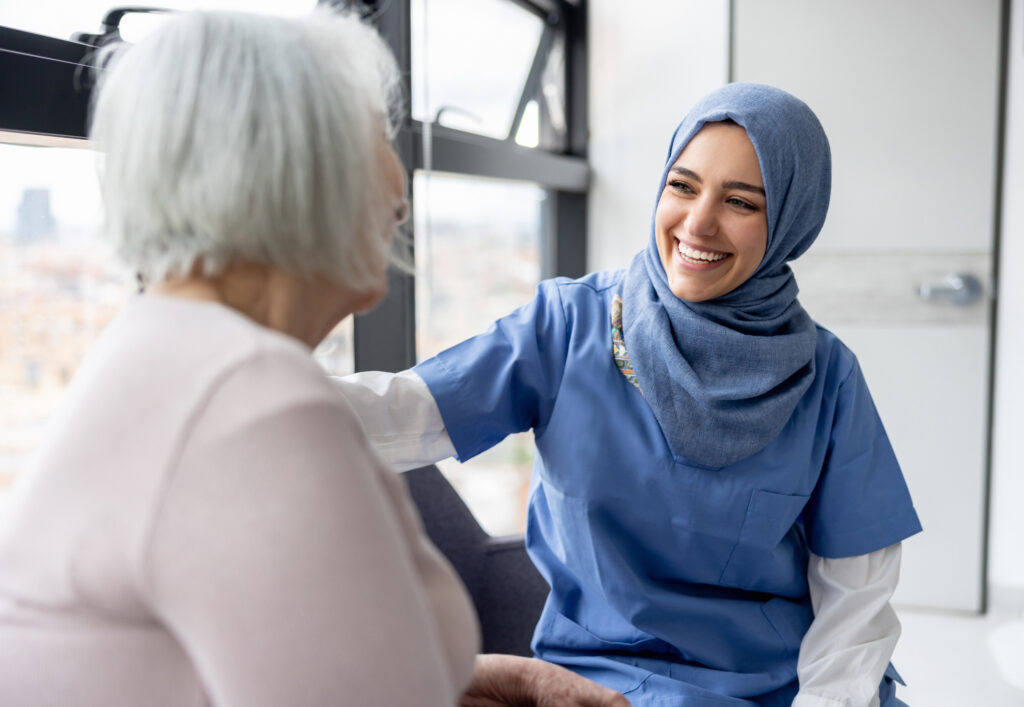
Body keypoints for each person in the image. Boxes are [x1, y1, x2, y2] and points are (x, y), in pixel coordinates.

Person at [337, 82, 923, 706]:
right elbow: (404, 413)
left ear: (790, 224)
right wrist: (247, 389)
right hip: (599, 678)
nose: (697, 223)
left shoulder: (826, 378)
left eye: (741, 203)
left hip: (784, 684)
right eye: (683, 185)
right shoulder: (566, 327)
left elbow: (857, 598)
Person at [0, 10, 482, 705]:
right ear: (299, 161)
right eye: (379, 133)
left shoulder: (171, 352)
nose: (400, 196)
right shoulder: (247, 400)